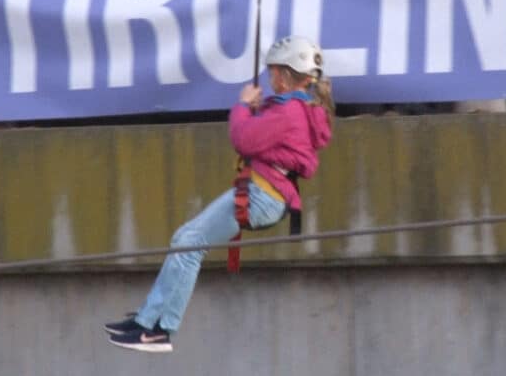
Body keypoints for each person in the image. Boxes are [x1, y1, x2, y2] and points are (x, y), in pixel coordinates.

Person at [104, 35, 334, 353]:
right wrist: (256, 109)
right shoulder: (295, 110)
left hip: (263, 195)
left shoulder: (290, 112)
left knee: (188, 243)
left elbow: (244, 139)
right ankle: (147, 320)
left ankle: (158, 330)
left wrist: (241, 106)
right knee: (186, 237)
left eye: (272, 72)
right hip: (265, 193)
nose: (269, 78)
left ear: (283, 75)